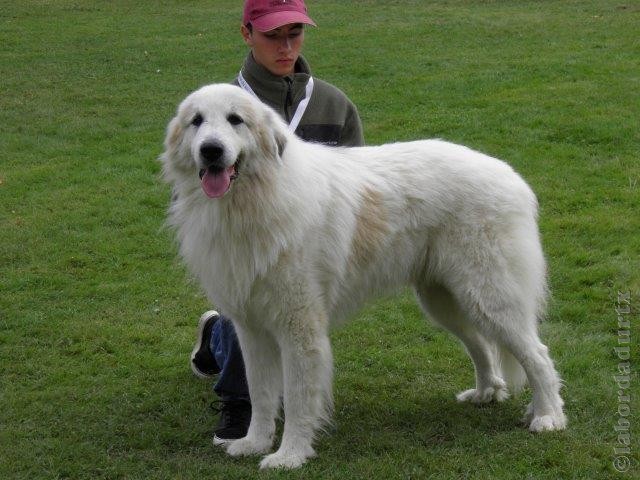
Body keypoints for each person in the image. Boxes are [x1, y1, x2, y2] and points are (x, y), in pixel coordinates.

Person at [189, 0, 364, 446]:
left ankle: (214, 336)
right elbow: (190, 194)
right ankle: (240, 401)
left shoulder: (333, 102)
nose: (285, 47)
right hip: (238, 237)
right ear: (247, 33)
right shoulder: (217, 104)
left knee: (289, 317)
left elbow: (358, 181)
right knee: (244, 305)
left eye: (294, 34)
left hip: (305, 240)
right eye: (272, 35)